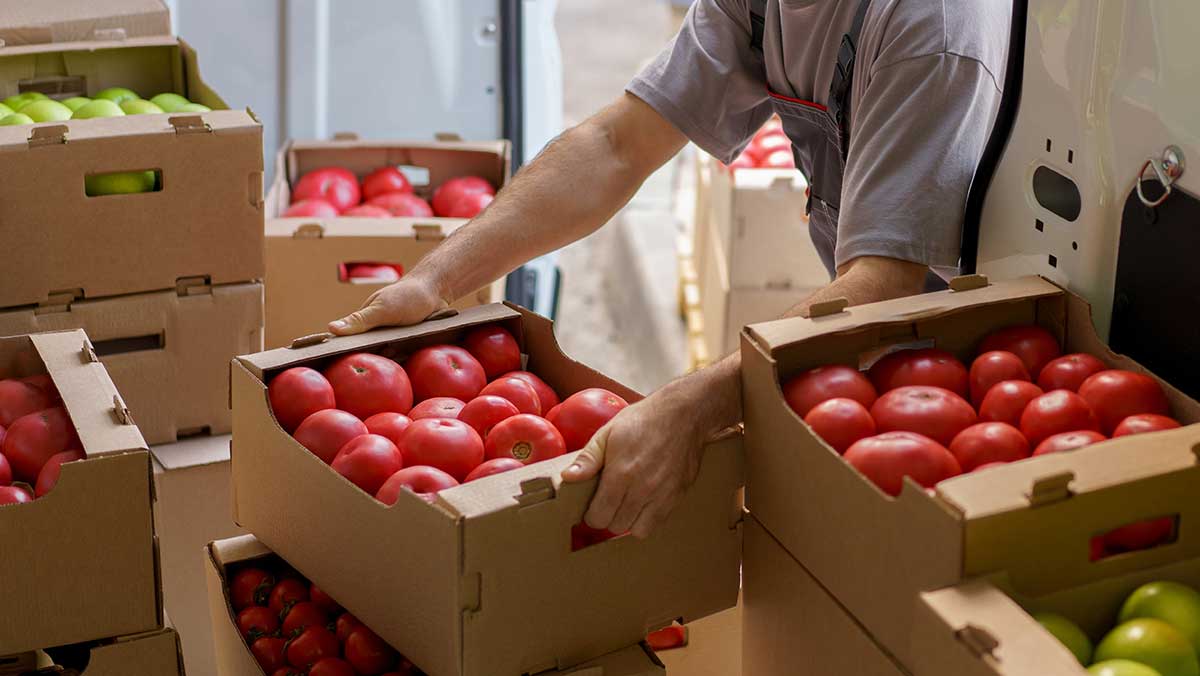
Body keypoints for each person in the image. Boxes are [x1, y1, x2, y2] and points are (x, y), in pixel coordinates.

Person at [329, 0, 1010, 539]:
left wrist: (690, 408)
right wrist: (434, 280)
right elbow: (618, 144)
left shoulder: (929, 27)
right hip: (856, 346)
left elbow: (884, 285)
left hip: (971, 366)